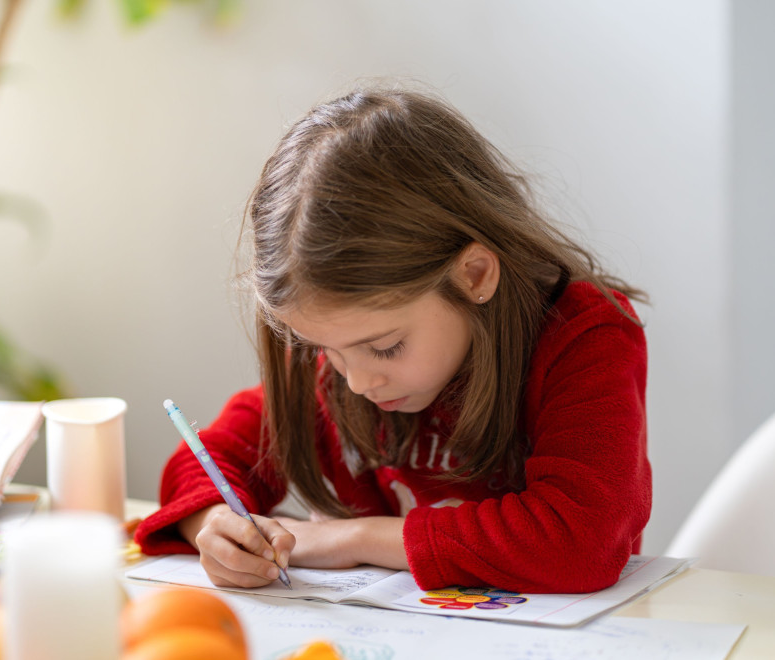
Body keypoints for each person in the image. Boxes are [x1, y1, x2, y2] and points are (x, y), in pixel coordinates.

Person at [134, 85, 651, 594]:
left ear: (473, 275)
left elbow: (580, 540)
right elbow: (208, 456)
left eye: (385, 347)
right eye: (322, 350)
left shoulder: (583, 337)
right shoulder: (344, 350)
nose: (356, 381)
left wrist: (353, 538)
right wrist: (214, 523)